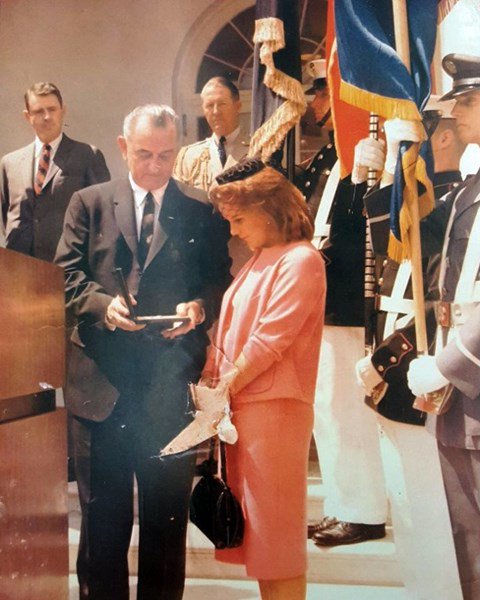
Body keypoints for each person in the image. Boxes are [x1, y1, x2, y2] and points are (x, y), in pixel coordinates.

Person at [54, 104, 232, 600]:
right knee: (102, 529)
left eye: (165, 155)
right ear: (121, 147)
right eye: (144, 154)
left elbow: (219, 280)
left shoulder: (201, 211)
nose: (155, 165)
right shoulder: (87, 204)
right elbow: (65, 276)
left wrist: (197, 307)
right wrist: (103, 307)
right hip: (101, 390)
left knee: (164, 528)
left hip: (167, 393)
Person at [356, 98, 465, 599]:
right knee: (412, 521)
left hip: (421, 377)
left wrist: (382, 360)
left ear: (438, 140)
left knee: (436, 524)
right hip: (392, 373)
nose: (400, 158)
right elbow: (384, 279)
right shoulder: (412, 201)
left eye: (409, 145)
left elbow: (434, 299)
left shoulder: (451, 203)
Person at [202, 159, 326, 600]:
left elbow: (269, 340)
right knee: (261, 538)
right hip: (245, 411)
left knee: (277, 538)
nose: (234, 231)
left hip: (275, 414)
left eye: (238, 219)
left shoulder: (302, 259)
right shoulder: (261, 259)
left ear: (268, 209)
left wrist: (220, 388)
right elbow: (232, 337)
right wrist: (211, 384)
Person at [297, 58, 388, 546]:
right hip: (323, 299)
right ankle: (341, 503)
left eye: (320, 93)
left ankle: (364, 511)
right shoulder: (327, 160)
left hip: (349, 300)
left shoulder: (365, 158)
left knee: (346, 407)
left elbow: (364, 231)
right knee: (327, 408)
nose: (314, 102)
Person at [405, 53, 480, 600]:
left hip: (467, 376)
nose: (457, 115)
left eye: (469, 102)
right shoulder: (468, 191)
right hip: (462, 403)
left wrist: (446, 364)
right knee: (468, 546)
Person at [1, 82, 110, 261]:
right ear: (27, 116)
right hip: (19, 269)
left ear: (63, 111)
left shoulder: (88, 156)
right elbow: (7, 217)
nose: (46, 117)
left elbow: (103, 218)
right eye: (38, 111)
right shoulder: (9, 163)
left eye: (52, 109)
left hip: (68, 269)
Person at [174, 76, 250, 275]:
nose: (215, 112)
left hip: (245, 260)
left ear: (238, 105)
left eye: (222, 104)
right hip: (201, 263)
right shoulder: (188, 156)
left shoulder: (259, 151)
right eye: (209, 106)